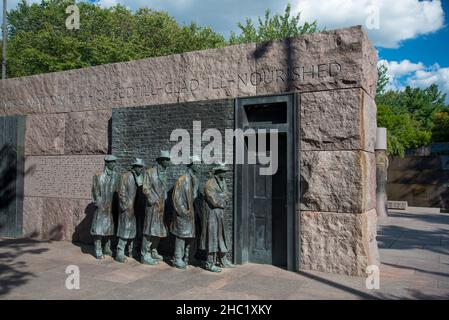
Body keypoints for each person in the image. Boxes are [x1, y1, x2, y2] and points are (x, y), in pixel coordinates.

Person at [200, 163, 235, 272]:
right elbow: (213, 201)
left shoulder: (223, 182)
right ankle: (210, 263)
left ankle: (223, 260)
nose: (225, 173)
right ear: (218, 172)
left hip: (221, 215)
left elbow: (228, 194)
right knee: (212, 238)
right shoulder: (210, 184)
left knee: (222, 236)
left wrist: (223, 197)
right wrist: (223, 199)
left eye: (225, 171)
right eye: (223, 171)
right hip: (212, 215)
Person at [141, 151, 171, 265]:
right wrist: (153, 199)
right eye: (167, 159)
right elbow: (145, 188)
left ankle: (153, 250)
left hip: (161, 206)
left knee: (158, 229)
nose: (169, 162)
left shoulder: (165, 173)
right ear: (161, 160)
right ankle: (145, 255)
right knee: (149, 230)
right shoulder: (150, 172)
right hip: (152, 206)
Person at [170, 155, 200, 269]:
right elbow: (176, 198)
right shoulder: (182, 180)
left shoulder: (195, 179)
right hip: (183, 214)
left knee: (190, 236)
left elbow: (194, 197)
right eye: (197, 164)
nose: (199, 167)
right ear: (191, 165)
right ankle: (177, 259)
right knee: (181, 236)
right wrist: (184, 212)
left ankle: (188, 258)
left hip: (191, 214)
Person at [115, 158, 145, 263]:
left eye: (142, 167)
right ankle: (120, 252)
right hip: (127, 209)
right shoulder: (125, 176)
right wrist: (126, 206)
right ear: (134, 166)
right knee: (124, 230)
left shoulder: (140, 177)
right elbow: (121, 193)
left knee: (133, 230)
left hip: (135, 209)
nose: (141, 169)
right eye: (139, 167)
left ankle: (131, 251)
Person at [90, 155, 119, 259]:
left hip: (110, 205)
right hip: (101, 205)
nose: (114, 164)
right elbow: (94, 190)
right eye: (112, 162)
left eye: (114, 162)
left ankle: (107, 247)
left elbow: (117, 191)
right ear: (107, 163)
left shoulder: (116, 175)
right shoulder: (98, 175)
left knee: (109, 227)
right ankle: (98, 248)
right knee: (98, 228)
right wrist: (98, 203)